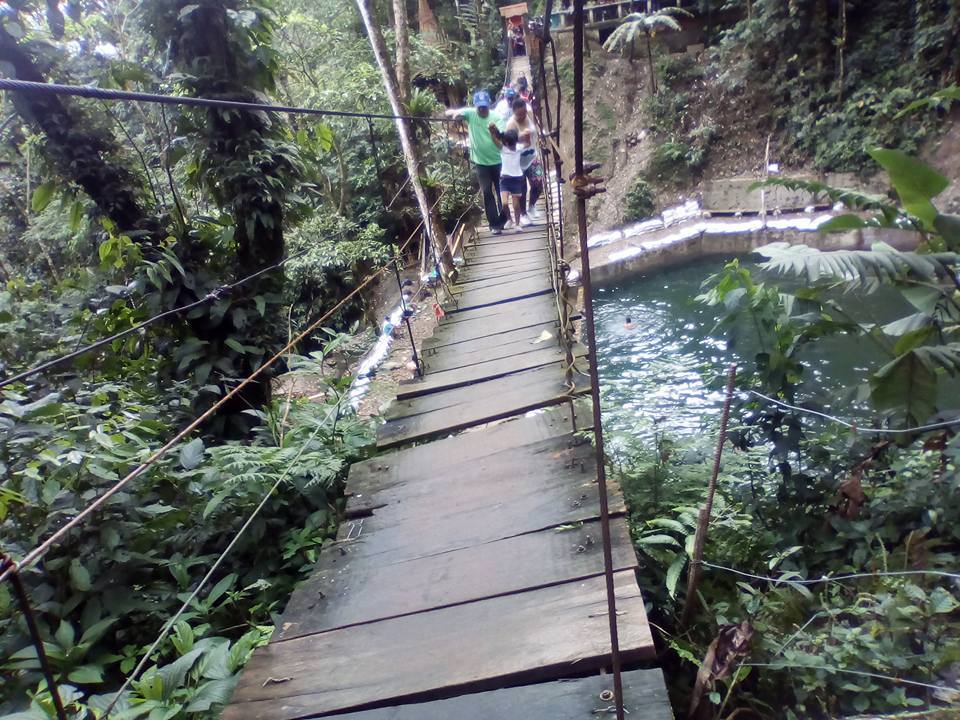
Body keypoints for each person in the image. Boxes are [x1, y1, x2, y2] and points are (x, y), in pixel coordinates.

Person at [445, 91, 507, 234]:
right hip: (480, 162)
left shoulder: (497, 117)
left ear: (489, 105)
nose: (482, 109)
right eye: (479, 107)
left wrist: (494, 130)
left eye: (484, 106)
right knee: (486, 192)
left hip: (498, 161)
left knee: (501, 192)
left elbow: (502, 136)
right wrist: (452, 114)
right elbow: (455, 112)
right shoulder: (471, 113)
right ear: (475, 106)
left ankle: (503, 219)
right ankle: (494, 224)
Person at [505, 97, 543, 222]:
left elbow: (536, 128)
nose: (522, 116)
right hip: (518, 162)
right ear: (514, 112)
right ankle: (523, 214)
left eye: (523, 113)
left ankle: (532, 205)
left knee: (538, 183)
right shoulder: (511, 124)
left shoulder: (530, 114)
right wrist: (520, 138)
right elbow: (509, 145)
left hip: (532, 156)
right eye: (519, 114)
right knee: (521, 189)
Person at [487, 126, 531, 230]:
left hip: (516, 180)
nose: (513, 146)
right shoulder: (503, 149)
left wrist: (528, 135)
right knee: (504, 204)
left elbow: (528, 144)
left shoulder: (518, 148)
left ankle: (517, 224)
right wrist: (491, 131)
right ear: (506, 143)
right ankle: (509, 219)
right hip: (504, 180)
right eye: (510, 144)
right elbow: (495, 141)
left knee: (516, 206)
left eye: (514, 144)